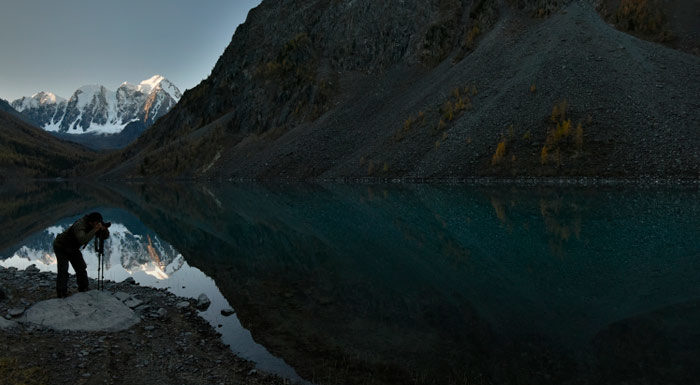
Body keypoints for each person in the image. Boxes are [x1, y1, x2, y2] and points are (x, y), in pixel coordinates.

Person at [53, 212, 107, 298]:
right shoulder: (80, 225)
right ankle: (61, 293)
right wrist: (95, 230)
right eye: (96, 223)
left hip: (73, 247)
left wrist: (104, 230)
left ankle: (84, 289)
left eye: (99, 223)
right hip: (61, 246)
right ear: (91, 222)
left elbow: (105, 236)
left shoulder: (93, 224)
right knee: (63, 270)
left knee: (81, 267)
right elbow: (82, 239)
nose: (98, 224)